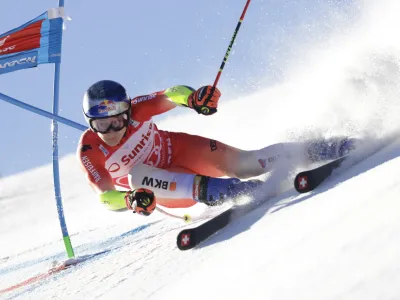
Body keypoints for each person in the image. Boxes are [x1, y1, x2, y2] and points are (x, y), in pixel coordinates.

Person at [77, 80, 355, 216]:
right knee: (135, 177)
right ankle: (233, 191)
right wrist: (129, 200)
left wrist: (194, 98)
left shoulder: (138, 109)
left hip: (180, 149)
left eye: (117, 122)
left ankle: (326, 148)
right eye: (102, 126)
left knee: (249, 162)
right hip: (171, 189)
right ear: (91, 124)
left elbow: (171, 94)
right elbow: (105, 196)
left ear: (127, 112)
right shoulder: (90, 152)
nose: (112, 132)